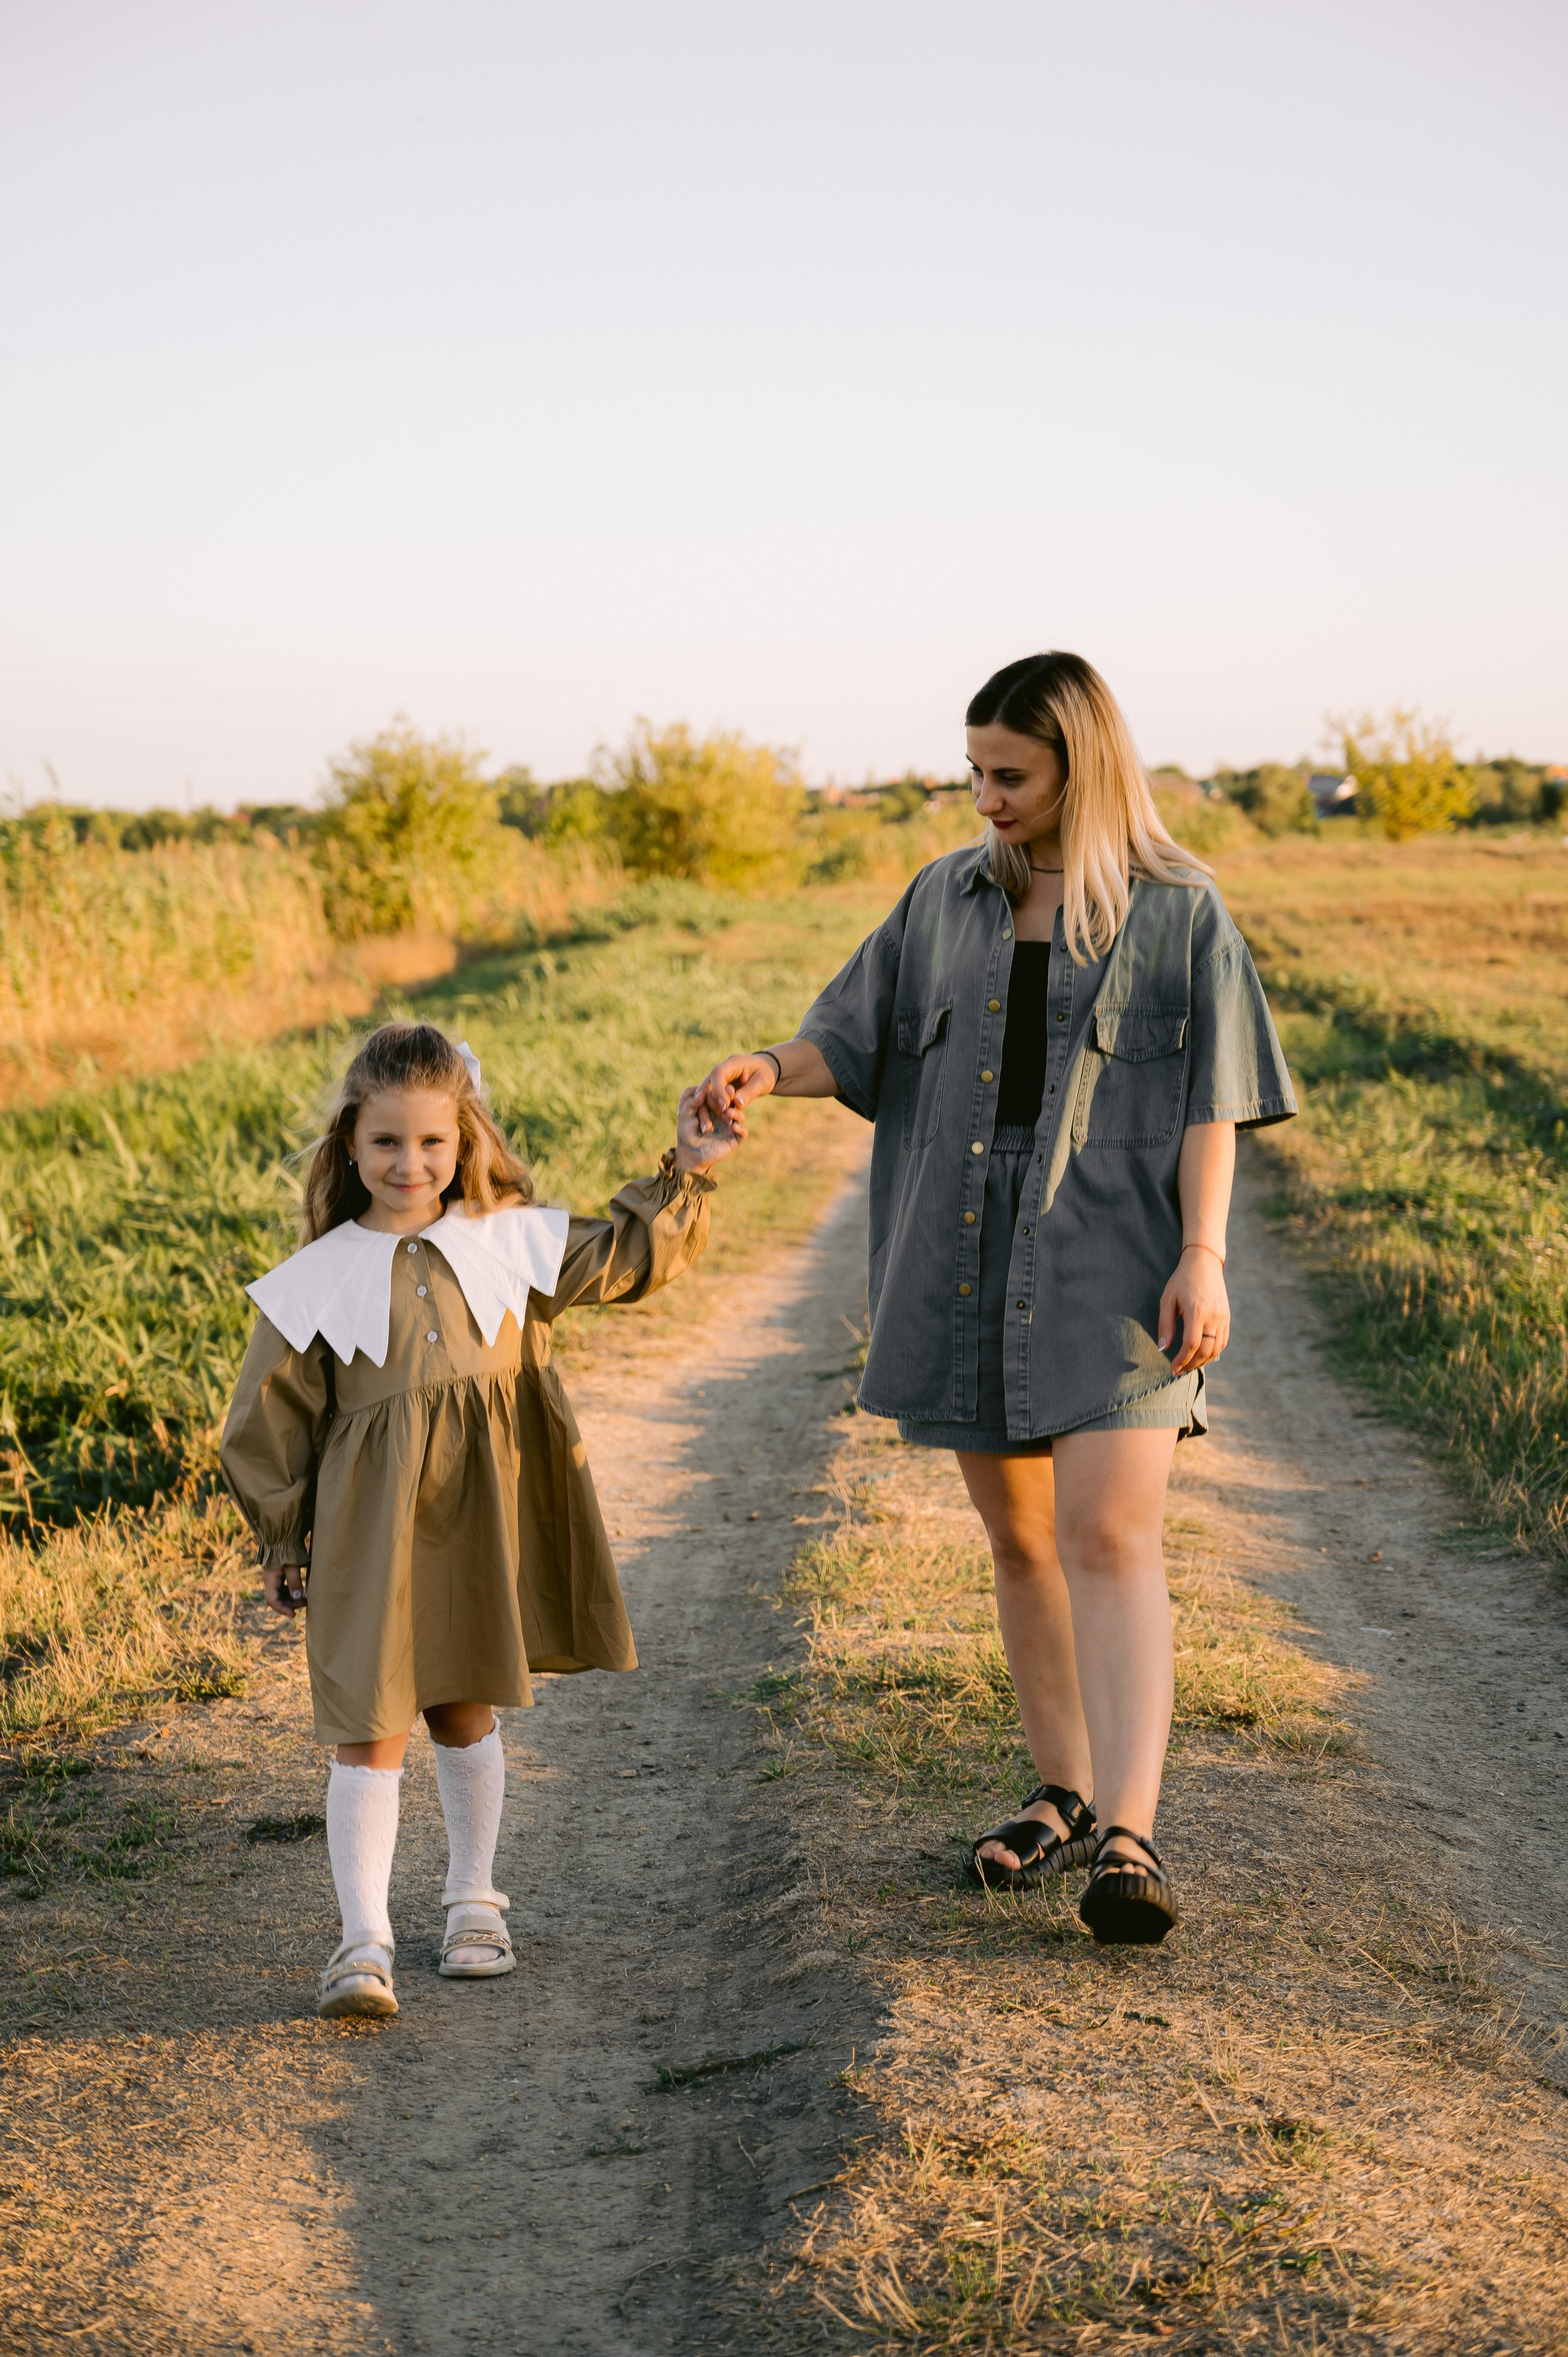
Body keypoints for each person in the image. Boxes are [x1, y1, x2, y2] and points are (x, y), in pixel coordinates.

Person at [693, 652, 1295, 1945]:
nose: (984, 798)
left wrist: (1207, 1253)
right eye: (973, 771)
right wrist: (765, 1068)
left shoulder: (1183, 914)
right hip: (962, 1250)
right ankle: (1064, 1790)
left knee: (1111, 1536)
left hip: (1118, 1259)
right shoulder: (942, 900)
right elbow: (847, 1036)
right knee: (1021, 1540)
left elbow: (1214, 1104)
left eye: (1009, 774)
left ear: (1084, 765)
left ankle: (1129, 1833)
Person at [221, 1021, 740, 2018]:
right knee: (366, 1725)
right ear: (350, 1146)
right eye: (385, 1143)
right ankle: (362, 1939)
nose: (409, 1163)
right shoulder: (320, 1275)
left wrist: (689, 1169)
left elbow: (627, 1255)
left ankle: (473, 1898)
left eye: (431, 1142)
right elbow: (267, 1411)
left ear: (466, 1139)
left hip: (480, 1516)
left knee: (463, 1706)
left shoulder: (509, 1243)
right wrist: (283, 1535)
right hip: (369, 1532)